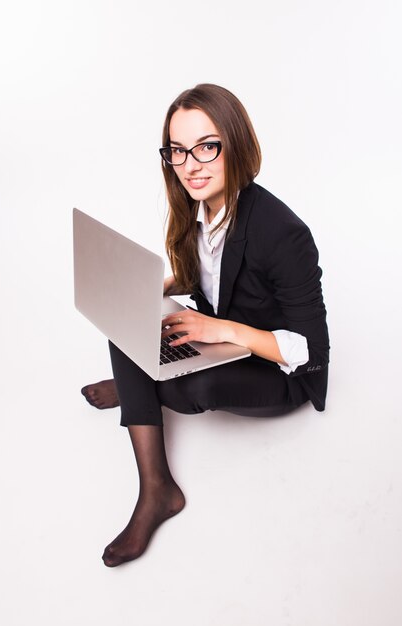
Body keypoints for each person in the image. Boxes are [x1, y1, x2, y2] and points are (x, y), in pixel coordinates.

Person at [81, 83, 330, 567]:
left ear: (234, 144)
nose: (191, 163)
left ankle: (146, 410)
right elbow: (212, 275)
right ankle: (156, 478)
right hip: (226, 333)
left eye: (206, 146)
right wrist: (159, 283)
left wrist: (226, 331)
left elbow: (312, 352)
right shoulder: (198, 209)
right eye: (177, 150)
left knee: (183, 391)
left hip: (276, 370)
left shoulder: (284, 233)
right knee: (125, 315)